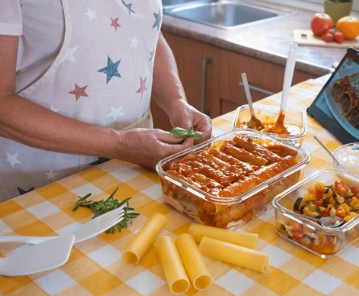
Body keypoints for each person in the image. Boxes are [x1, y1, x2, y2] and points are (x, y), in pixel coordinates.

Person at [0, 1, 212, 201]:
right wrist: (122, 144)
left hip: (131, 169)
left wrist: (176, 102)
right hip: (40, 187)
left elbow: (146, 33)